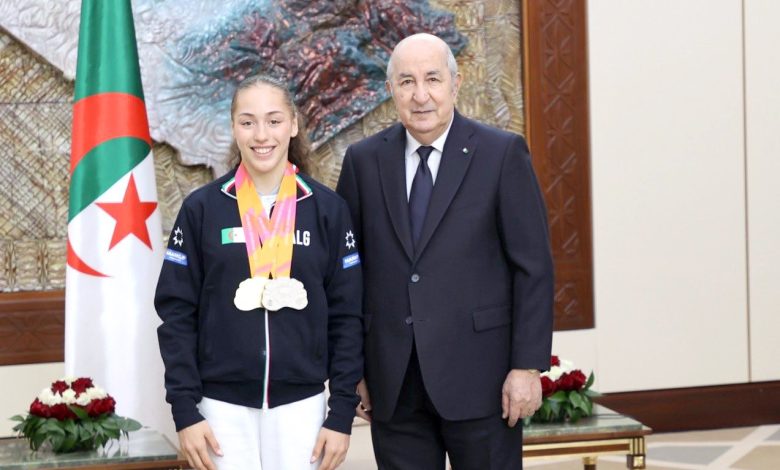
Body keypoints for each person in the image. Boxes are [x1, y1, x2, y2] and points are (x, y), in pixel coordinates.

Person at [336, 33, 554, 469]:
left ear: (455, 84)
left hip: (485, 380)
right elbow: (347, 275)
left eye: (432, 79)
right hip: (393, 384)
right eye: (407, 82)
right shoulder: (363, 161)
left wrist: (528, 367)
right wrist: (351, 372)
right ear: (391, 90)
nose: (421, 95)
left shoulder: (501, 154)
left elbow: (533, 268)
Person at [155, 74, 363, 470]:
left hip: (302, 406)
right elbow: (177, 314)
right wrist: (185, 410)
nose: (261, 135)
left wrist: (340, 413)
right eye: (248, 122)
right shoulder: (202, 209)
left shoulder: (327, 210)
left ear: (293, 125)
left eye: (274, 120)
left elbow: (348, 316)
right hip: (219, 409)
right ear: (234, 128)